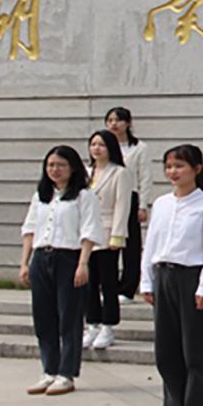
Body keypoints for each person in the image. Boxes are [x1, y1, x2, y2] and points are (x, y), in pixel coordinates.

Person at [141, 145, 203, 406]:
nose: (173, 172)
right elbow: (151, 244)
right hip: (163, 276)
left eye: (179, 166)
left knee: (196, 350)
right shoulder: (162, 204)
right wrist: (146, 280)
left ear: (196, 169)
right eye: (169, 166)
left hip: (193, 277)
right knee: (166, 349)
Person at [19, 145, 104, 396]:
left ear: (73, 168)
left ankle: (66, 373)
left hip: (69, 258)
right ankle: (49, 370)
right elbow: (29, 230)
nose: (55, 170)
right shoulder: (41, 196)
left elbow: (89, 231)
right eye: (51, 165)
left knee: (69, 317)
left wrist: (83, 263)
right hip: (41, 258)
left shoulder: (84, 196)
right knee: (43, 318)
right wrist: (24, 263)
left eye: (61, 165)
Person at [82, 130, 134, 350]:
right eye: (93, 144)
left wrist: (117, 236)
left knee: (108, 282)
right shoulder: (85, 172)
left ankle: (108, 326)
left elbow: (122, 206)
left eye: (101, 145)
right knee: (88, 282)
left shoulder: (120, 173)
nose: (96, 149)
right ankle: (92, 324)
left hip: (107, 231)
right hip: (86, 233)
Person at [104, 107, 154, 304]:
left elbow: (145, 177)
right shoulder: (104, 146)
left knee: (131, 245)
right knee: (107, 241)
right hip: (108, 196)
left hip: (130, 196)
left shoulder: (139, 148)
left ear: (128, 123)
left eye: (118, 120)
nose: (114, 124)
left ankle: (128, 287)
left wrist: (143, 205)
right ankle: (108, 285)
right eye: (110, 120)